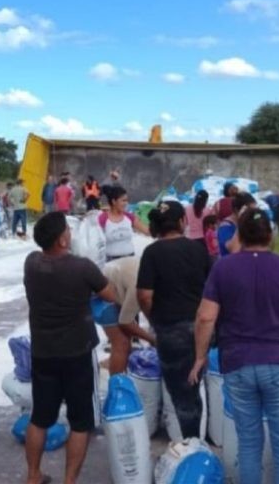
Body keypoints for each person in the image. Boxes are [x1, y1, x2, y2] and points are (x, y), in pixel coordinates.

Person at [188, 209, 279, 484]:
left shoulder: (223, 269)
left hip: (237, 364)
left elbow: (205, 317)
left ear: (240, 235)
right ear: (270, 235)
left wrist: (200, 357)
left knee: (249, 445)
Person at [23, 212, 117, 484]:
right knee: (80, 422)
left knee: (40, 418)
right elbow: (110, 294)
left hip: (43, 352)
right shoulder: (82, 267)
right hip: (77, 352)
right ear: (62, 240)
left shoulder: (31, 263)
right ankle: (69, 481)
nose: (71, 233)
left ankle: (33, 476)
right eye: (67, 230)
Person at [136, 202, 211, 440]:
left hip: (170, 332)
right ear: (182, 221)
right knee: (194, 388)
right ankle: (195, 442)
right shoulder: (198, 250)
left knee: (182, 396)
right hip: (200, 329)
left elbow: (144, 296)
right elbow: (212, 292)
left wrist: (154, 319)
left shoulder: (152, 253)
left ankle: (192, 444)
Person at [99, 256, 156, 375]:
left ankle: (119, 372)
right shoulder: (139, 289)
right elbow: (125, 322)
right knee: (122, 344)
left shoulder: (154, 278)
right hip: (102, 293)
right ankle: (117, 384)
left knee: (126, 342)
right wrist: (152, 339)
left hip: (116, 280)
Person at [98, 185, 149, 263]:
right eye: (123, 201)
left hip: (129, 260)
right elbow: (96, 241)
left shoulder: (129, 217)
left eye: (127, 200)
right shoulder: (103, 218)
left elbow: (147, 231)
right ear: (114, 201)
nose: (126, 203)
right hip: (111, 262)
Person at [216, 192, 256, 258]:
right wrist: (241, 221)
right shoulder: (225, 227)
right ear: (237, 210)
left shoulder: (249, 223)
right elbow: (234, 250)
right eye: (250, 211)